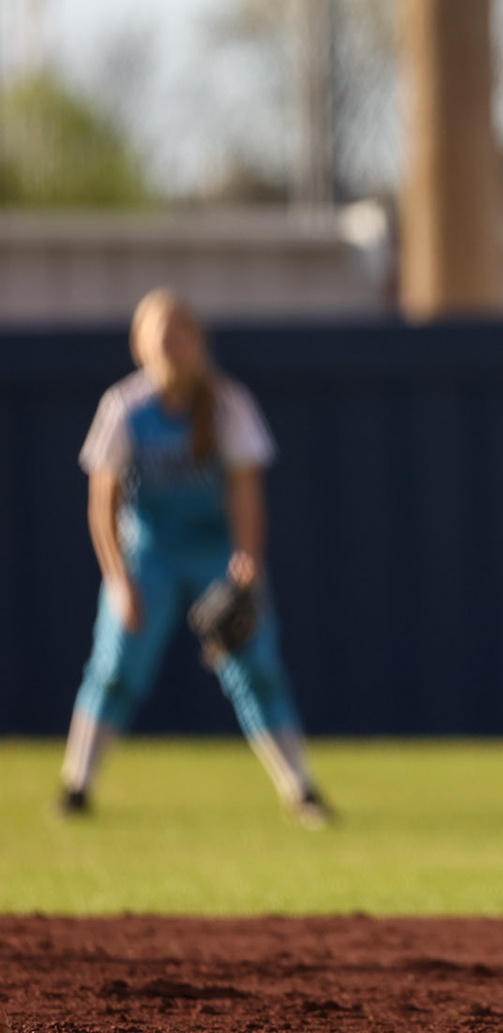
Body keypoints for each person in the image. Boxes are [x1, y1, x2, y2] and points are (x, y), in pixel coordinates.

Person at [56, 288, 332, 829]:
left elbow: (246, 491)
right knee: (115, 667)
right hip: (150, 552)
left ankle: (300, 789)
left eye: (181, 337)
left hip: (214, 552)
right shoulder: (125, 407)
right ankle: (76, 787)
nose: (173, 349)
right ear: (139, 347)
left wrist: (247, 562)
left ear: (198, 342)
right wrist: (118, 579)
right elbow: (103, 504)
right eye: (161, 339)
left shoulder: (227, 403)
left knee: (256, 668)